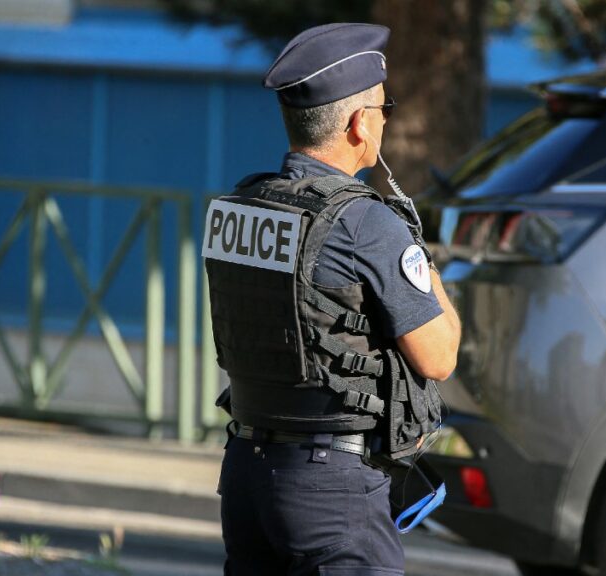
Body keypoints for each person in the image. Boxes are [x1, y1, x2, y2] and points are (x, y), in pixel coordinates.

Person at [202, 22, 461, 576]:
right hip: (330, 490)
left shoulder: (240, 205)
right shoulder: (368, 223)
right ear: (358, 124)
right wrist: (418, 252)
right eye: (383, 107)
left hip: (246, 473)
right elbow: (438, 356)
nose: (387, 120)